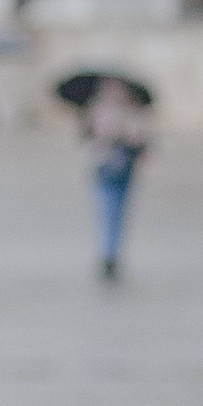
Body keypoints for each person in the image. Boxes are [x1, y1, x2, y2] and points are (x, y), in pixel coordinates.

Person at [83, 80, 151, 284]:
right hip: (115, 167)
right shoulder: (130, 111)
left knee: (110, 209)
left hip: (108, 166)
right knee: (115, 210)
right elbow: (140, 143)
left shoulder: (99, 109)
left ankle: (109, 252)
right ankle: (110, 252)